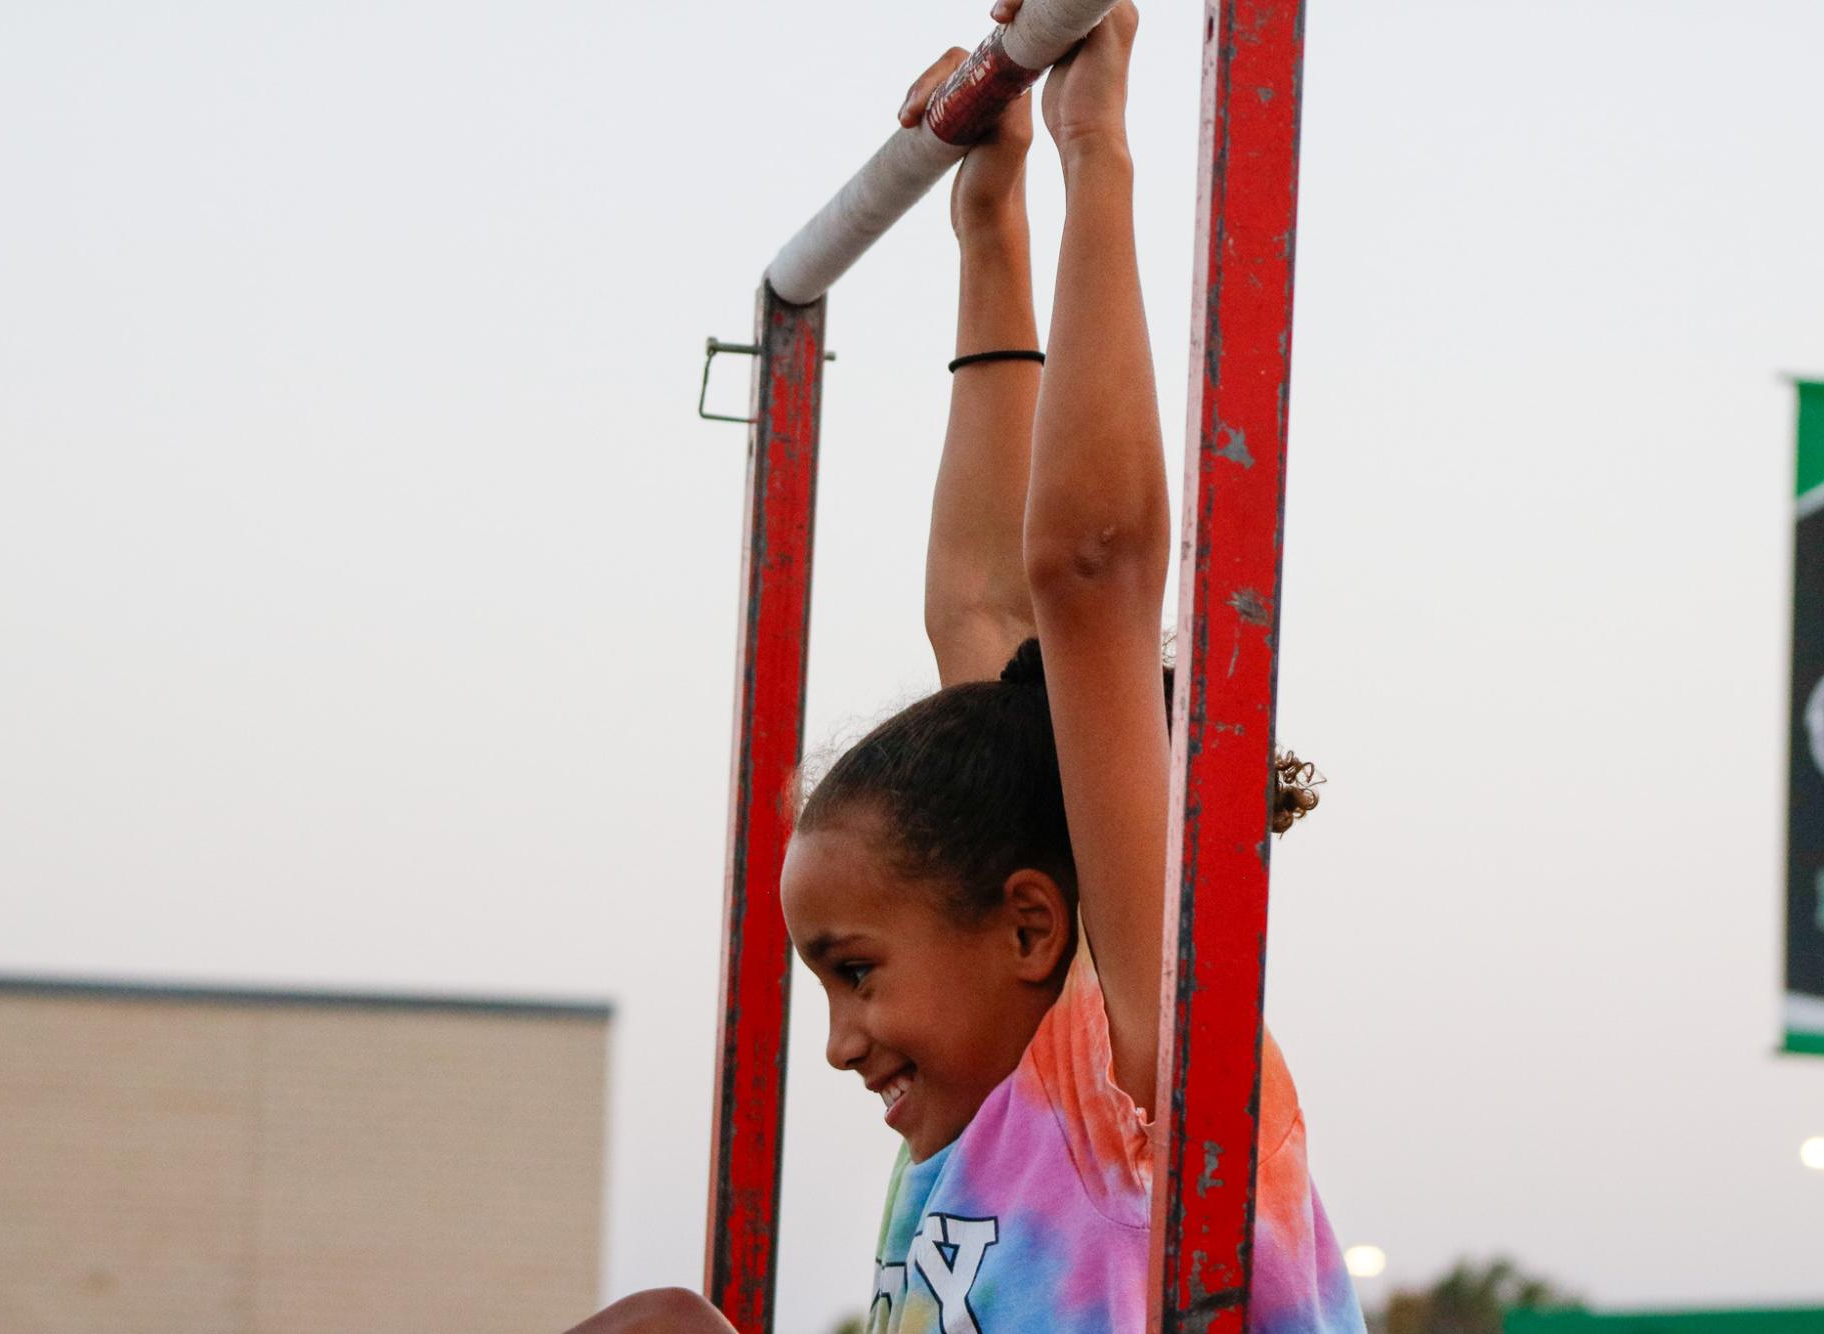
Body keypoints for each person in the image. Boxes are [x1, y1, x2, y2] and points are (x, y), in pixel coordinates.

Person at [569, 3, 1361, 1330]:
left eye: (857, 969)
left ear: (1031, 928)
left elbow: (1089, 575)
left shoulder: (1136, 1078)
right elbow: (985, 609)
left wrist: (1091, 140)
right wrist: (985, 217)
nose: (837, 1039)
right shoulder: (989, 1114)